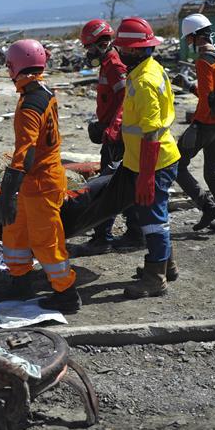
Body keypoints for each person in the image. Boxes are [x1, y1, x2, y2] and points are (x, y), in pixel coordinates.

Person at [0, 39, 80, 313]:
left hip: (41, 182)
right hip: (36, 180)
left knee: (47, 241)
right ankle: (20, 280)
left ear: (15, 67)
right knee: (15, 231)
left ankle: (66, 293)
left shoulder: (31, 104)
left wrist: (7, 192)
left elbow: (26, 153)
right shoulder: (42, 91)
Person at [114, 17, 181, 299]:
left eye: (122, 49)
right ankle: (167, 265)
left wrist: (147, 175)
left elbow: (151, 133)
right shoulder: (149, 68)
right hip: (144, 158)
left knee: (153, 220)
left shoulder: (144, 81)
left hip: (154, 160)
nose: (119, 53)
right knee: (154, 215)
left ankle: (155, 278)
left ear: (133, 50)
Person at [73, 19, 142, 256]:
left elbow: (125, 100)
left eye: (90, 46)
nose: (88, 52)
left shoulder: (114, 64)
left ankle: (103, 237)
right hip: (113, 133)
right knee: (122, 183)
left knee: (109, 186)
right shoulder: (107, 63)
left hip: (118, 137)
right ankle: (134, 233)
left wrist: (113, 129)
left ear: (102, 44)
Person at [175, 13, 215, 234]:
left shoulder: (203, 60)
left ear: (193, 36)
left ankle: (208, 207)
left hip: (205, 123)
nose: (188, 42)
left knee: (175, 164)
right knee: (213, 171)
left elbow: (207, 96)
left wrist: (195, 123)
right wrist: (192, 87)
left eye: (188, 38)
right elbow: (214, 94)